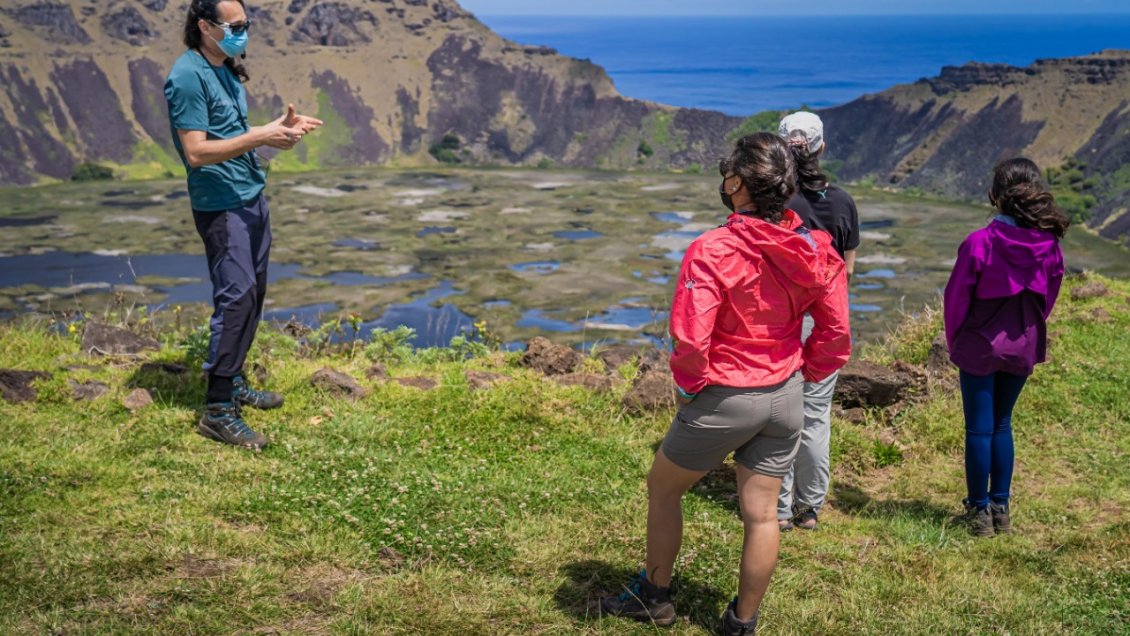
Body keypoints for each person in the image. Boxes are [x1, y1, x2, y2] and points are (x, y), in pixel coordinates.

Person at [601, 133, 851, 634]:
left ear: (737, 184)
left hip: (728, 393)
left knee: (663, 488)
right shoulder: (815, 248)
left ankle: (655, 598)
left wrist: (693, 388)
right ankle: (742, 622)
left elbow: (691, 339)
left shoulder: (712, 249)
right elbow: (837, 330)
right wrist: (809, 371)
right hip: (786, 394)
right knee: (761, 515)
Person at [165, 0, 322, 450]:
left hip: (250, 196)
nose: (242, 32)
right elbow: (196, 152)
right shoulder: (187, 75)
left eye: (246, 24)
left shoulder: (226, 68)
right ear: (203, 26)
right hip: (221, 205)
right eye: (234, 26)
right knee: (235, 298)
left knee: (253, 294)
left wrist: (276, 130)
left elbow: (230, 132)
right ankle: (217, 410)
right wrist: (261, 136)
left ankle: (231, 382)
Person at [943, 157, 1068, 537]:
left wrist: (956, 341)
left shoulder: (978, 243)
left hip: (979, 345)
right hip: (1022, 344)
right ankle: (1001, 507)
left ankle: (978, 513)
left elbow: (956, 301)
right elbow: (1049, 297)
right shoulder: (1049, 246)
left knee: (979, 429)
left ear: (993, 197)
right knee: (1002, 423)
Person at [775, 111, 861, 532]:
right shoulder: (843, 202)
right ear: (821, 148)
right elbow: (847, 271)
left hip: (780, 320)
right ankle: (808, 507)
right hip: (826, 321)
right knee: (815, 413)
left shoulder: (772, 204)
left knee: (777, 412)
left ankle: (777, 507)